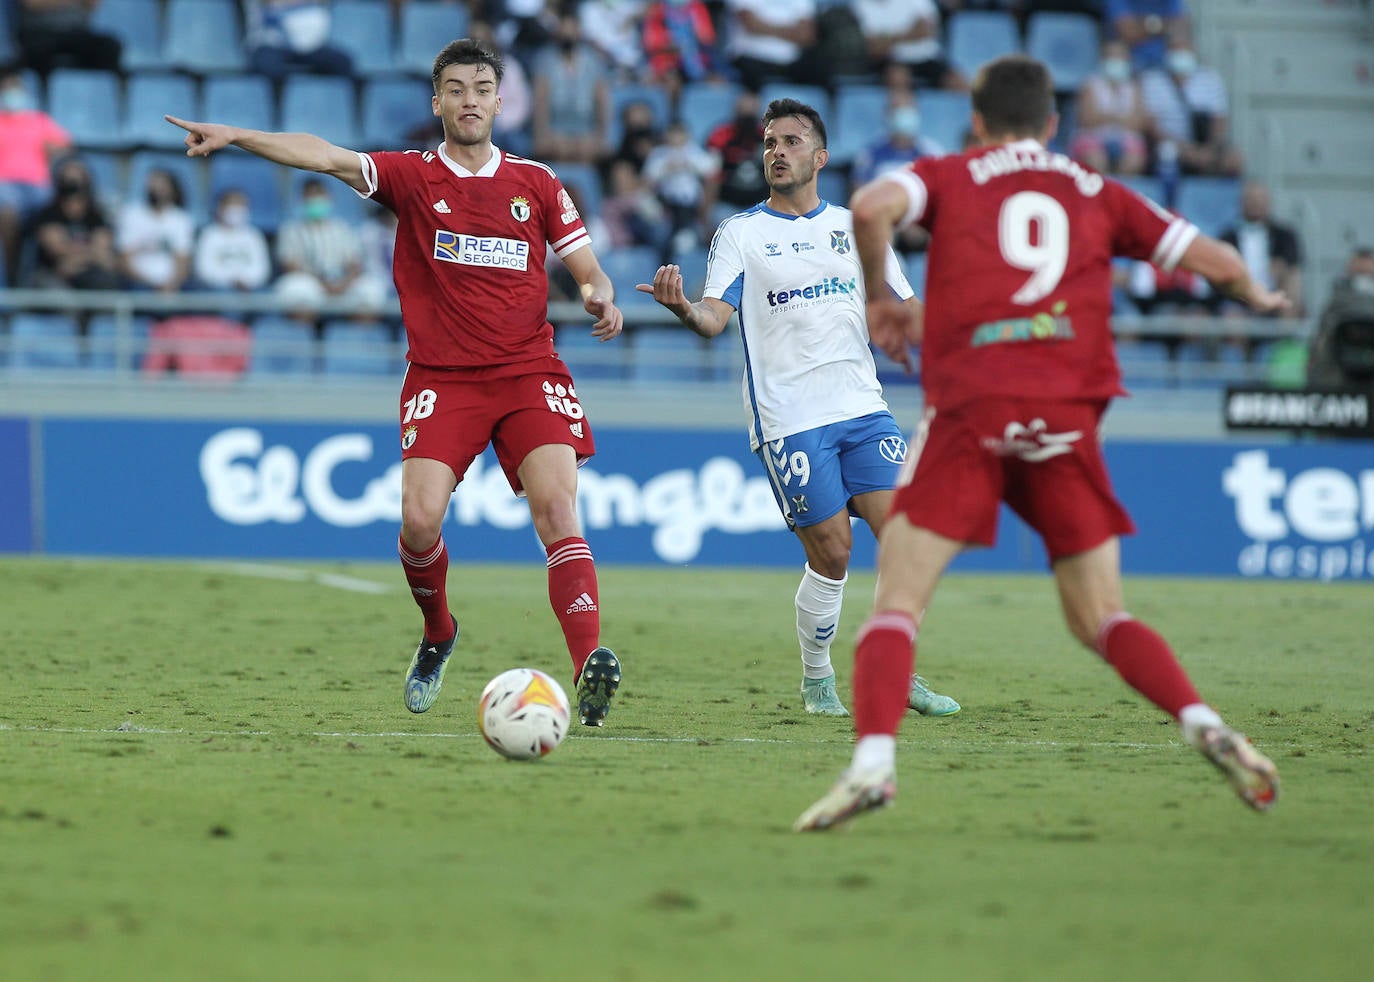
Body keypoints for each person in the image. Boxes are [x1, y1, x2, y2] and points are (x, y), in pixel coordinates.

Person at [794, 55, 1286, 831]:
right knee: (1102, 618)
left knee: (896, 607)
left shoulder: (951, 174)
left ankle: (873, 765)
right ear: (1054, 125)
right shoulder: (1095, 188)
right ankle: (1203, 723)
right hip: (1065, 418)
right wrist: (1257, 293)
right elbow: (1215, 262)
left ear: (979, 121)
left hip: (971, 412)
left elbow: (868, 205)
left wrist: (883, 297)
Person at [164, 37, 626, 725]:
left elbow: (587, 265)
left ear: (501, 100)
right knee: (419, 522)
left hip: (530, 370)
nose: (470, 100)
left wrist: (598, 294)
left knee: (558, 511)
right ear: (436, 102)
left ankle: (588, 669)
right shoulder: (412, 175)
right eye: (457, 90)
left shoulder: (537, 183)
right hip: (444, 377)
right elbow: (321, 153)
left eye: (481, 88)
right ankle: (439, 630)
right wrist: (236, 137)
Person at [636, 98, 959, 720]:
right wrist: (681, 307)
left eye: (790, 141)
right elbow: (713, 319)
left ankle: (896, 670)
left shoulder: (856, 226)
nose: (776, 152)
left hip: (863, 407)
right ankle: (817, 680)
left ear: (821, 156)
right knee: (833, 552)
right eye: (769, 143)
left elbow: (904, 308)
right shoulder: (741, 233)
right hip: (790, 416)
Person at [0, 64, 71, 284]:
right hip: (6, 185)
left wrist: (54, 151)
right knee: (8, 215)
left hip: (39, 186)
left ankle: (43, 275)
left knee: (55, 212)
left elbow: (66, 146)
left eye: (17, 86)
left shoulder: (39, 120)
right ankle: (10, 276)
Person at [1140, 28, 1241, 179]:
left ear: (1193, 50)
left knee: (1234, 160)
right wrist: (1185, 150)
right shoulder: (1152, 81)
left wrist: (1209, 149)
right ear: (1167, 52)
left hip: (1205, 144)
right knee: (1166, 154)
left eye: (1184, 48)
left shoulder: (1210, 79)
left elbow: (1219, 121)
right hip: (1169, 145)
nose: (1180, 53)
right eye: (1175, 48)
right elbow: (1150, 126)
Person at [25, 155, 119, 290]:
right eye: (68, 176)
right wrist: (92, 254)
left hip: (88, 274)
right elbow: (57, 249)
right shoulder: (48, 214)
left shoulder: (97, 215)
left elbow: (104, 250)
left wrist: (74, 261)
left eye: (77, 176)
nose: (73, 181)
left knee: (106, 285)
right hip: (53, 276)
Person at [1069, 38, 1151, 176]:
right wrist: (1120, 118)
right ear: (1103, 59)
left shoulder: (1134, 87)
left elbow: (1139, 124)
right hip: (1093, 137)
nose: (1116, 61)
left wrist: (1106, 117)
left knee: (1133, 161)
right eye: (1111, 56)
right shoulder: (1090, 85)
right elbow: (1087, 120)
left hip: (1126, 138)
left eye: (1119, 56)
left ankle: (1119, 194)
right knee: (1096, 159)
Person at [116, 167, 194, 293]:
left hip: (173, 285)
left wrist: (172, 285)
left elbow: (183, 261)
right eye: (153, 184)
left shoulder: (181, 219)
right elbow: (124, 259)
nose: (157, 189)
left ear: (171, 189)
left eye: (162, 185)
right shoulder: (132, 215)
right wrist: (152, 286)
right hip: (138, 283)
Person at [244, 0, 355, 81]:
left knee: (342, 62)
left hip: (309, 44)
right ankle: (276, 108)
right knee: (270, 69)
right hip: (270, 43)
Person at [193, 188, 273, 293]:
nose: (237, 209)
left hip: (251, 287)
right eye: (233, 205)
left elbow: (262, 269)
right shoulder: (209, 235)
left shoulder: (253, 235)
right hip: (219, 288)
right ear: (220, 208)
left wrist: (246, 281)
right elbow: (205, 270)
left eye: (241, 205)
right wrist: (232, 280)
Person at [13, 0, 122, 75]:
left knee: (109, 48)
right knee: (36, 51)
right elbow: (31, 3)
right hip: (39, 31)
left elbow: (92, 4)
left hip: (76, 32)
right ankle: (41, 98)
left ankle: (97, 96)